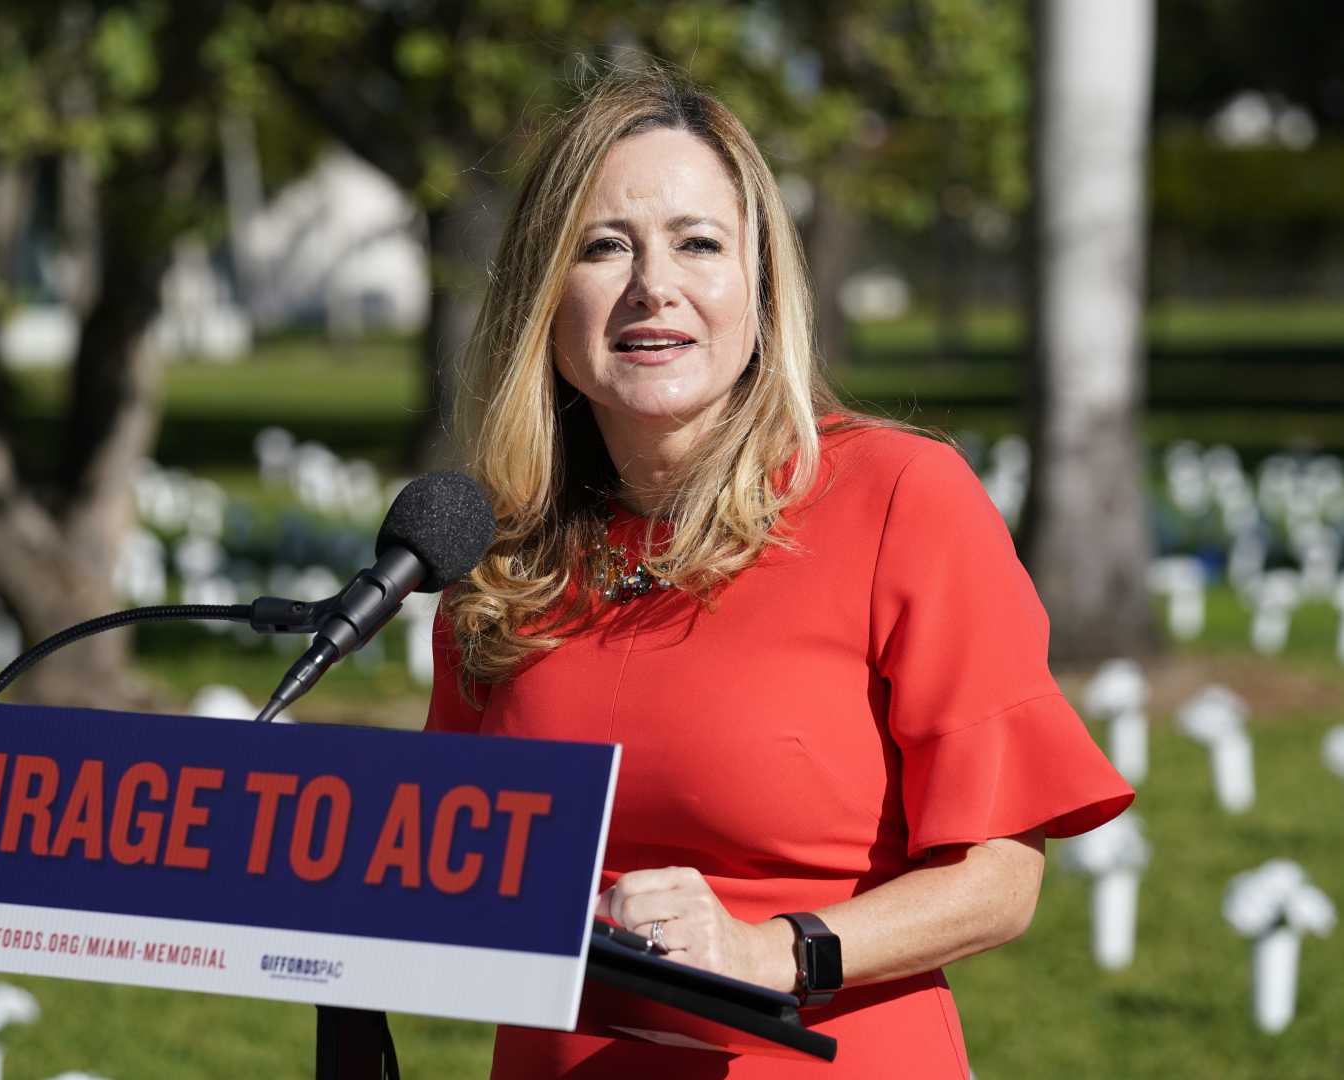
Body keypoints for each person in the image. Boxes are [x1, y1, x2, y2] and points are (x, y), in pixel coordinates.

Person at [426, 65, 1134, 1079]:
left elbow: (1000, 880)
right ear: (546, 294)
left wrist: (776, 950)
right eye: (602, 247)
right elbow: (446, 863)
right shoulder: (497, 554)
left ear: (760, 286)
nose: (652, 287)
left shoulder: (900, 499)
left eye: (698, 244)